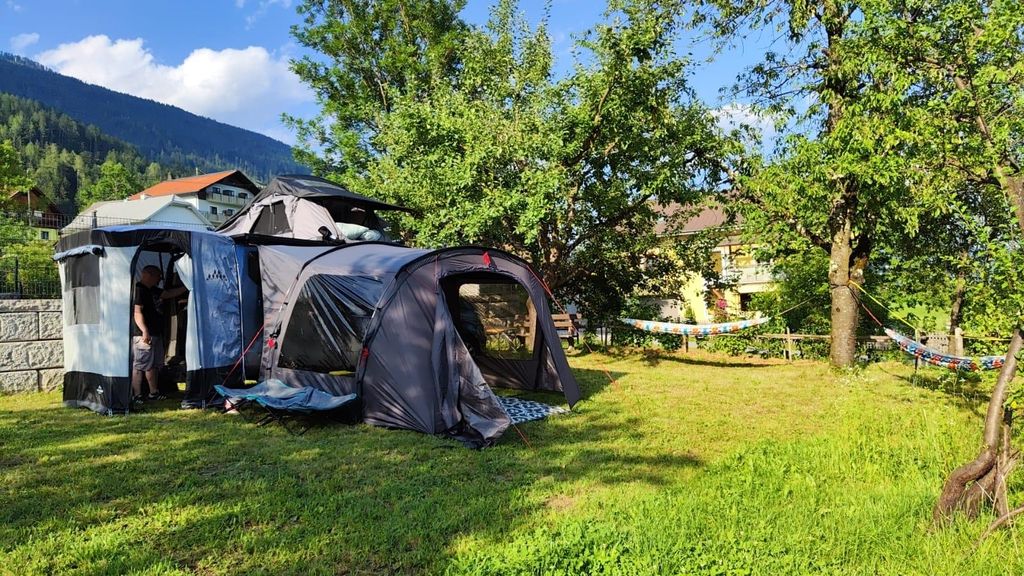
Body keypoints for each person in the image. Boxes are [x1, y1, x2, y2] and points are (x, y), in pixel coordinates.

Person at [132, 265, 187, 404]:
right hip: (143, 334)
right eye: (158, 277)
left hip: (155, 333)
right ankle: (137, 395)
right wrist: (144, 331)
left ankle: (153, 393)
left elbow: (167, 294)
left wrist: (188, 287)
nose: (159, 280)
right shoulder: (139, 290)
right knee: (141, 365)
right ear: (148, 275)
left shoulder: (152, 290)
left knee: (155, 365)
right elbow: (137, 312)